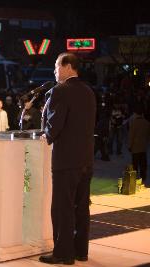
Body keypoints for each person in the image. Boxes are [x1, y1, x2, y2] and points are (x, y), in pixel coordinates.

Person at [40, 52, 96, 265]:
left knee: (63, 207)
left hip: (65, 161)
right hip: (86, 159)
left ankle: (63, 254)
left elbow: (54, 126)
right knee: (81, 207)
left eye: (56, 66)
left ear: (67, 66)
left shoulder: (60, 91)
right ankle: (81, 251)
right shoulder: (89, 91)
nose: (55, 71)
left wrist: (47, 132)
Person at [128, 105, 150, 186]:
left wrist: (129, 146)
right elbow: (148, 135)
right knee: (143, 163)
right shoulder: (147, 123)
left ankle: (135, 176)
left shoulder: (134, 123)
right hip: (143, 147)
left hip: (135, 147)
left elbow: (131, 135)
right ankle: (143, 176)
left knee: (135, 163)